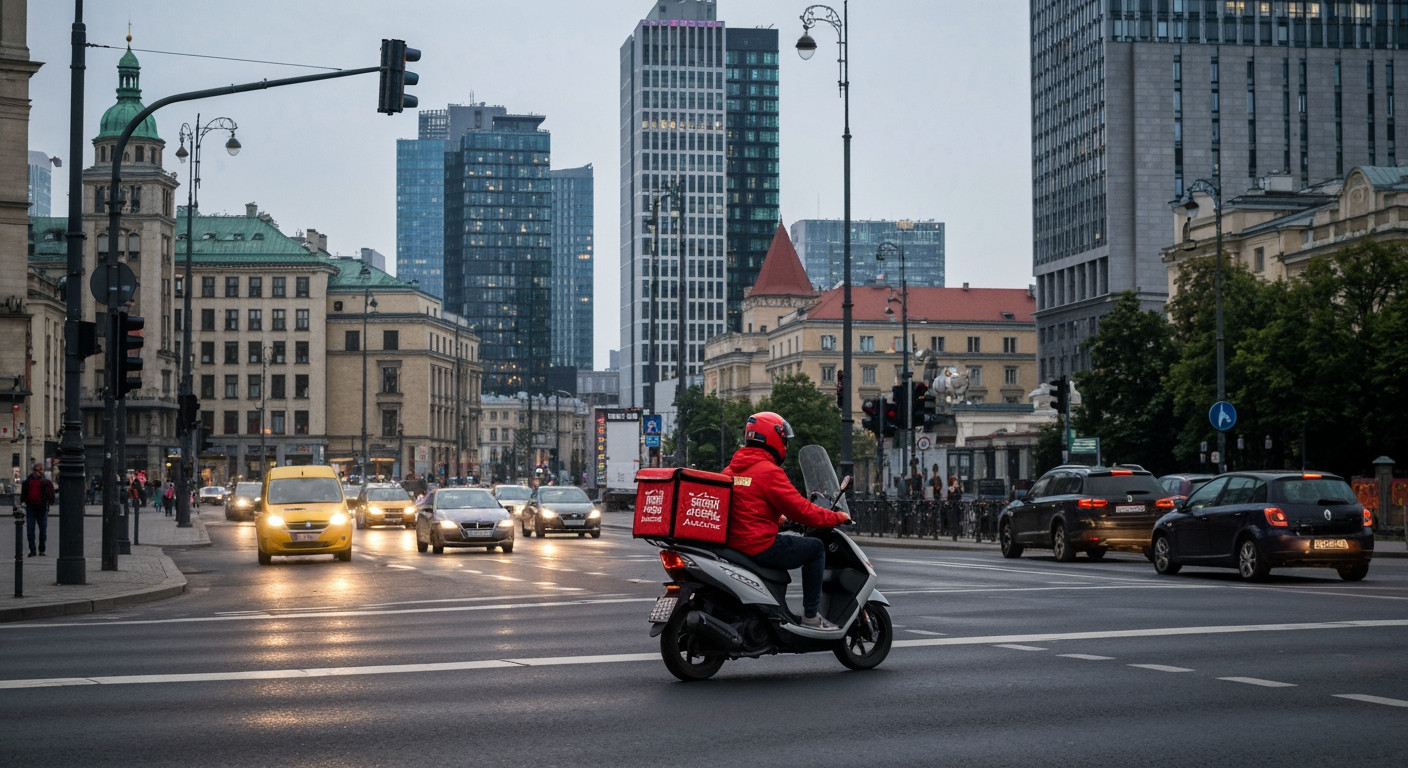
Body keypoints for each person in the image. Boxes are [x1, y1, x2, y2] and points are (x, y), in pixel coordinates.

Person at [722, 411, 850, 630]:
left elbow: (748, 505)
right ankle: (811, 616)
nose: (785, 446)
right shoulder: (769, 472)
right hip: (758, 546)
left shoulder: (731, 470)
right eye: (784, 441)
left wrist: (778, 519)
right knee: (815, 548)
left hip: (734, 545)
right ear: (773, 438)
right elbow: (801, 510)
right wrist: (835, 517)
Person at [19, 463, 55, 557]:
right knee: (30, 530)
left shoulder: (46, 482)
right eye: (36, 470)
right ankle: (32, 550)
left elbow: (50, 492)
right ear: (33, 470)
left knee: (42, 530)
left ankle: (42, 549)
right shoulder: (28, 481)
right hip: (31, 507)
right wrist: (23, 501)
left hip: (42, 508)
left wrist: (49, 502)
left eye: (40, 470)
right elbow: (24, 492)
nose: (38, 472)